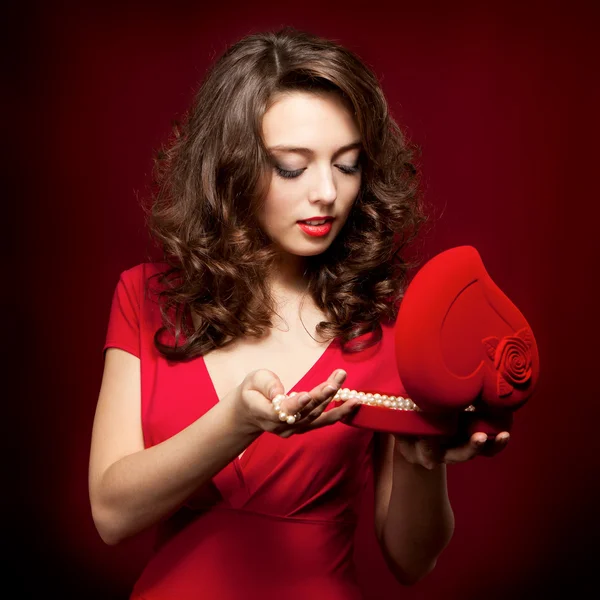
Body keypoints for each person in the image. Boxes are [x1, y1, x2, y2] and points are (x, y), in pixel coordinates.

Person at [89, 26, 510, 600]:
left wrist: (424, 457)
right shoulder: (146, 297)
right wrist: (235, 422)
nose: (328, 194)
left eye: (347, 164)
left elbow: (412, 561)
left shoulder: (384, 324)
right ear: (230, 168)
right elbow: (112, 514)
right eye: (292, 167)